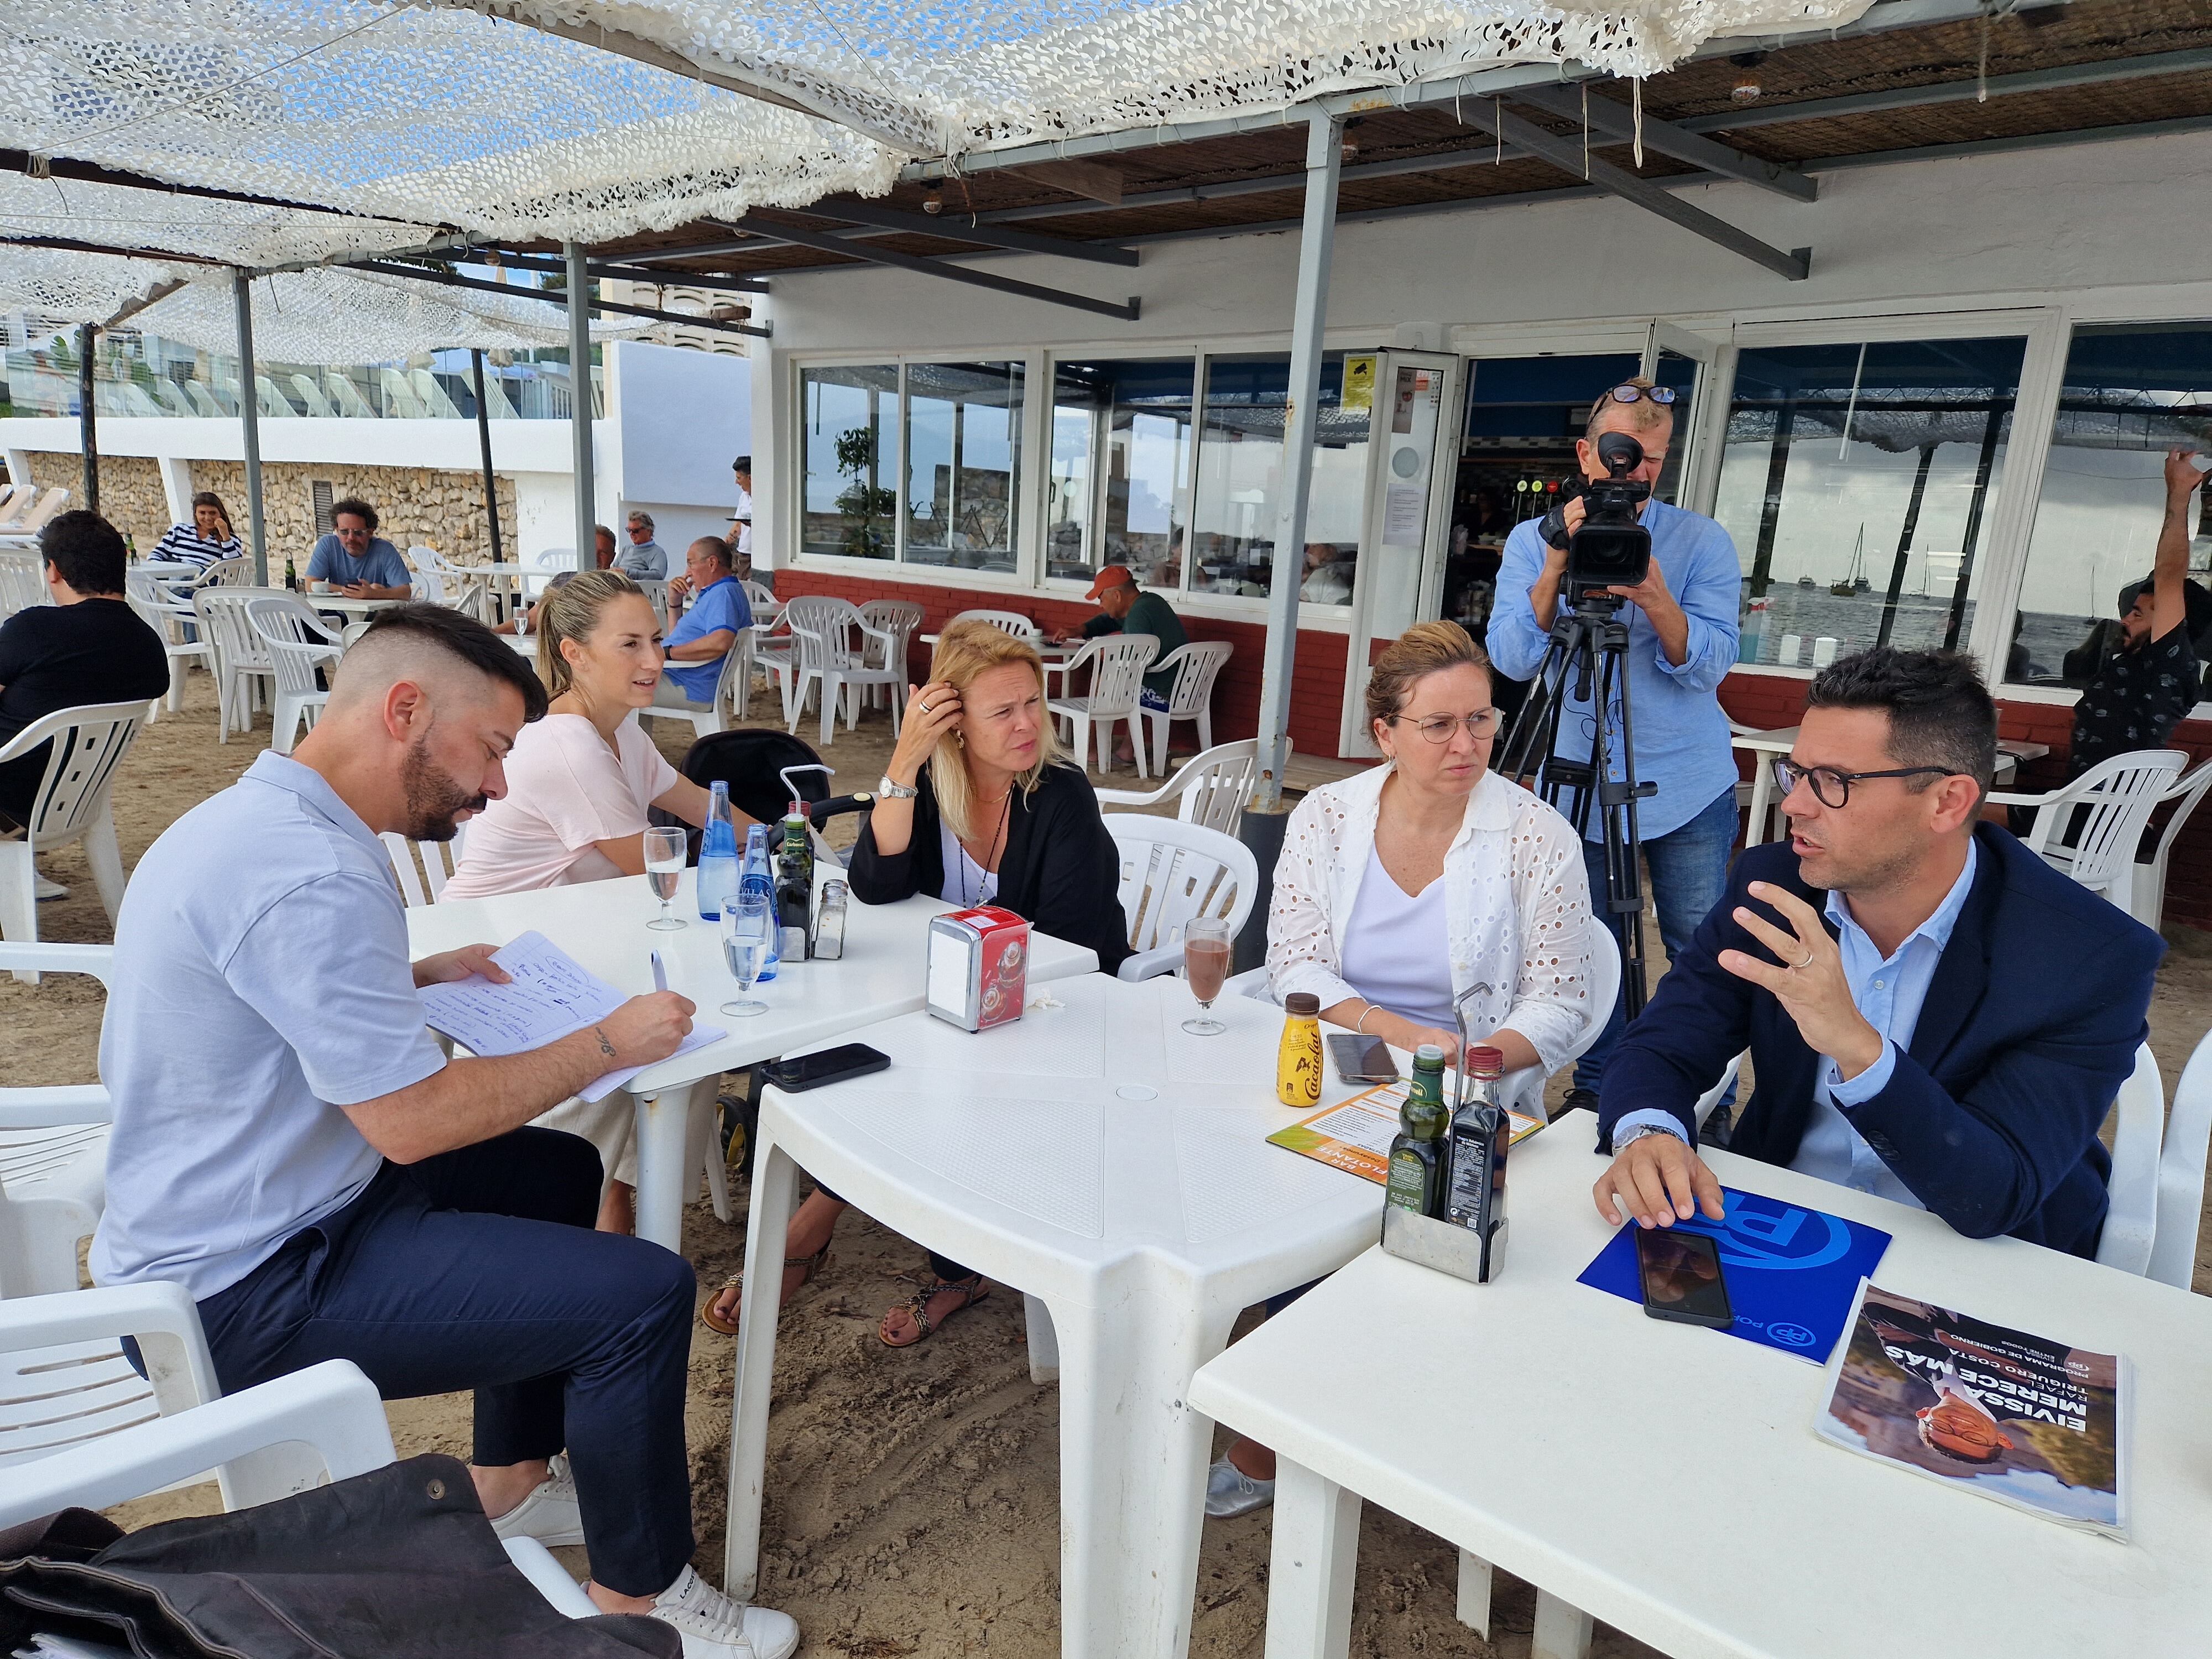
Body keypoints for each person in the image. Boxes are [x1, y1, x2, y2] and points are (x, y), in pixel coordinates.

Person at [88, 603, 799, 1659]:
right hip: (241, 1289)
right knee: (641, 1298)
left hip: (251, 1208)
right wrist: (607, 1044)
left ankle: (511, 1481)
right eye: (494, 750)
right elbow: (414, 1124)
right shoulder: (312, 874)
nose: (500, 785)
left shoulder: (262, 824)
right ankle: (645, 1605)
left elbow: (277, 995)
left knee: (556, 1170)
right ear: (407, 710)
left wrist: (409, 978)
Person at [1592, 647, 2162, 1261]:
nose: (1794, 805)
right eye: (1797, 773)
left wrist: (1858, 1048)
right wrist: (1649, 1134)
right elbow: (1665, 1043)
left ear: (1946, 801)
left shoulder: (2088, 957)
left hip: (1984, 1259)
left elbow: (1996, 1195)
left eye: (1834, 782)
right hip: (1789, 1217)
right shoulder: (1775, 885)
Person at [1211, 620, 1598, 1519]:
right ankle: (1302, 1401)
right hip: (1341, 1070)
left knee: (1377, 1212)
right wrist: (1398, 1032)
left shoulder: (1536, 837)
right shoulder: (1330, 816)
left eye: (1481, 721)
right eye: (1439, 726)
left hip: (1470, 1098)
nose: (1468, 745)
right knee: (1251, 1194)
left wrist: (1469, 1060)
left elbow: (1563, 1002)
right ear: (1383, 732)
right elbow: (1297, 965)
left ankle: (1311, 1428)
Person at [700, 621, 1130, 1348]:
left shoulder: (1061, 797)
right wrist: (903, 763)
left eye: (1033, 703)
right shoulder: (935, 783)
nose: (1027, 724)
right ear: (955, 724)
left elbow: (1069, 945)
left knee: (906, 1067)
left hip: (1059, 1009)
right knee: (812, 1048)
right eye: (1002, 711)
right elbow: (875, 885)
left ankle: (837, 1230)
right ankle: (822, 1211)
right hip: (948, 990)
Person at [444, 572, 748, 1234]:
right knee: (684, 1029)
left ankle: (617, 1193)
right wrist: (752, 865)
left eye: (658, 641)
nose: (653, 661)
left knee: (680, 1015)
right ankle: (614, 1205)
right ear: (574, 652)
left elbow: (708, 812)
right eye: (630, 644)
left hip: (566, 945)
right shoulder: (568, 744)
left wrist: (798, 838)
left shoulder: (623, 736)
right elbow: (660, 872)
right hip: (491, 967)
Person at [1487, 377, 1744, 1123]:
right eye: (1623, 455)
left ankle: (1703, 1095)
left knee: (1702, 949)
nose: (1635, 473)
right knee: (1592, 941)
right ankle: (1604, 1086)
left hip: (1684, 779)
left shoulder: (1702, 541)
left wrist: (1657, 595)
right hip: (1578, 774)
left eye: (1653, 461)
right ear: (1585, 451)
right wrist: (1557, 566)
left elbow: (1708, 666)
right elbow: (1510, 659)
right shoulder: (1533, 539)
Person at [0, 513, 171, 893]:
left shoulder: (31, 631)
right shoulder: (147, 646)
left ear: (54, 571)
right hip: (73, 803)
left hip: (10, 811)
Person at [2062, 449, 2211, 778]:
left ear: (2175, 623)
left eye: (2138, 614)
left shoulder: (2168, 664)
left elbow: (2170, 575)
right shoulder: (2145, 666)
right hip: (2092, 810)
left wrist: (2179, 495)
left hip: (2089, 816)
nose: (2125, 620)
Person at [1060, 564, 1190, 759]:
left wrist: (1105, 654)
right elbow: (1109, 621)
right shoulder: (1149, 602)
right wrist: (1080, 630)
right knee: (1130, 680)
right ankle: (1127, 750)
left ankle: (1092, 751)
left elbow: (1132, 658)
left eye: (1101, 598)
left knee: (1106, 680)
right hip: (1181, 689)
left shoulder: (1139, 613)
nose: (1100, 604)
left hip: (1163, 694)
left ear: (1117, 596)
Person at [655, 535, 752, 714]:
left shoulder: (723, 594)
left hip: (689, 686)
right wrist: (675, 601)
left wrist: (666, 654)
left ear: (712, 563)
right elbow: (678, 637)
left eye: (691, 564)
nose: (687, 572)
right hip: (681, 677)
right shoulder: (716, 592)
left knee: (610, 687)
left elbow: (721, 642)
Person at [492, 524, 616, 637]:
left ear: (612, 557)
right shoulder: (562, 580)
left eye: (603, 553)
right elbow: (532, 619)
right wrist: (491, 633)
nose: (595, 557)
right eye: (590, 550)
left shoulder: (614, 588)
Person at [304, 498, 411, 598]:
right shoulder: (327, 544)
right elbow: (310, 586)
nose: (351, 538)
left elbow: (405, 592)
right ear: (336, 530)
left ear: (370, 532)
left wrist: (374, 594)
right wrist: (352, 591)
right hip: (335, 615)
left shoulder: (385, 550)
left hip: (375, 617)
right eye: (344, 532)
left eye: (358, 533)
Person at [150, 491, 241, 573]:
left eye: (212, 513)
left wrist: (225, 536)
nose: (208, 518)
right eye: (202, 513)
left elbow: (233, 570)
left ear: (220, 514)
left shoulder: (231, 540)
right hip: (172, 578)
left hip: (201, 584)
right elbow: (156, 555)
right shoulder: (179, 530)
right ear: (195, 514)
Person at [617, 510, 669, 581]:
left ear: (648, 531)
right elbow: (613, 570)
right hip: (617, 586)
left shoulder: (657, 552)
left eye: (635, 531)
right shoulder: (626, 549)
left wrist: (627, 573)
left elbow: (658, 575)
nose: (631, 534)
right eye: (629, 530)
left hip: (637, 589)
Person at [1298, 541, 1353, 605]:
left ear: (1330, 550)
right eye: (1308, 547)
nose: (1308, 552)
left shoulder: (1323, 576)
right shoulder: (1332, 573)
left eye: (1314, 547)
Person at [728, 455, 754, 576]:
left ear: (750, 478)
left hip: (758, 554)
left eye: (739, 478)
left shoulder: (764, 497)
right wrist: (722, 545)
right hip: (743, 553)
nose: (736, 482)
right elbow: (737, 526)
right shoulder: (744, 497)